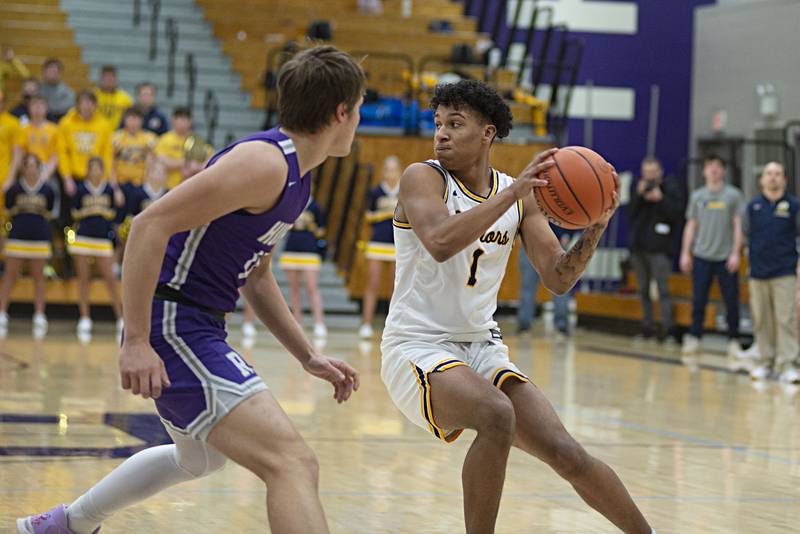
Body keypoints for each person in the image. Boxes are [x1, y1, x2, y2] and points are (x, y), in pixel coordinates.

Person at [17, 45, 363, 534]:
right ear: (341, 112)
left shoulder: (299, 178)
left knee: (199, 460)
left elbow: (257, 274)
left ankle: (64, 525)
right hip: (174, 322)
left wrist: (306, 355)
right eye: (360, 109)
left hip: (199, 322)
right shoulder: (265, 163)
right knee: (292, 462)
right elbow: (147, 225)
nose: (360, 120)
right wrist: (135, 340)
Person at [381, 80, 653, 534]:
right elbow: (441, 242)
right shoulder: (422, 177)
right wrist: (511, 195)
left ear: (487, 133)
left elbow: (558, 278)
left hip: (481, 347)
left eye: (455, 123)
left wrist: (596, 225)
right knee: (495, 413)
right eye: (438, 124)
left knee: (566, 452)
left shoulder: (520, 196)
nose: (441, 134)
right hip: (417, 346)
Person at [680, 154, 745, 360]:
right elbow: (691, 225)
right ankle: (694, 337)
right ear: (704, 171)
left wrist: (736, 252)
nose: (714, 169)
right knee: (698, 299)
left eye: (718, 166)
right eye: (710, 166)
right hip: (701, 255)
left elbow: (738, 225)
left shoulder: (733, 195)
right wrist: (685, 252)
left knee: (731, 301)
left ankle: (733, 340)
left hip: (726, 256)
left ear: (723, 171)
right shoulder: (698, 196)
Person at [742, 162, 800, 383]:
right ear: (762, 180)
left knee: (785, 319)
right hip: (758, 272)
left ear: (784, 179)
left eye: (777, 174)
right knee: (762, 320)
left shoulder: (793, 205)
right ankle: (765, 362)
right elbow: (746, 233)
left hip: (784, 271)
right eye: (769, 174)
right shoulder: (753, 206)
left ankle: (787, 364)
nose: (773, 178)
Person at [627, 156, 683, 341]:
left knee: (663, 289)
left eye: (653, 173)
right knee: (642, 289)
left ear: (660, 172)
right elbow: (630, 213)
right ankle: (647, 327)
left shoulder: (671, 188)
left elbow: (676, 214)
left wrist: (660, 199)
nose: (650, 177)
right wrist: (639, 195)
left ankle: (669, 329)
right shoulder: (639, 187)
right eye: (647, 173)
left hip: (660, 247)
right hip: (639, 247)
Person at [0, 153, 55, 337]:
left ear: (39, 168)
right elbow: (8, 209)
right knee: (10, 275)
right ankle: (2, 313)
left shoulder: (47, 190)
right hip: (17, 237)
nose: (31, 169)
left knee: (39, 277)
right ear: (23, 169)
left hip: (39, 237)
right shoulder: (14, 189)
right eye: (28, 165)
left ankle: (39, 314)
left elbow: (49, 211)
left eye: (34, 165)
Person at [67, 157, 123, 336]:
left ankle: (120, 318)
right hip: (83, 238)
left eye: (99, 168)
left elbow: (114, 213)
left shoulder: (109, 189)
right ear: (88, 171)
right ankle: (84, 318)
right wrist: (90, 211)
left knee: (111, 279)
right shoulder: (81, 189)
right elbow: (73, 212)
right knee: (83, 279)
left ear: (103, 170)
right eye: (93, 168)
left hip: (102, 240)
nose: (96, 172)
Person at [359, 155, 401, 338]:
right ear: (383, 172)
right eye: (387, 169)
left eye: (394, 169)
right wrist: (385, 213)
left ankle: (393, 327)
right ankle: (366, 324)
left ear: (399, 171)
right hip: (377, 242)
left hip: (398, 244)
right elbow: (367, 216)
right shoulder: (375, 192)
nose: (390, 173)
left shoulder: (404, 193)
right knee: (372, 283)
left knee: (396, 286)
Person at [278, 199, 328, 338]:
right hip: (291, 248)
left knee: (312, 287)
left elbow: (321, 231)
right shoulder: (291, 203)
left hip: (310, 250)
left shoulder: (316, 206)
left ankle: (319, 323)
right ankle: (297, 322)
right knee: (294, 288)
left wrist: (310, 224)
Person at [517, 224, 576, 336]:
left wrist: (568, 234)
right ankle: (524, 326)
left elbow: (578, 214)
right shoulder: (532, 206)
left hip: (558, 244)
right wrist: (519, 233)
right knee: (527, 287)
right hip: (531, 243)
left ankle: (561, 326)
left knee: (560, 286)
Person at [57, 90, 113, 196]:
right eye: (84, 102)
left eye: (91, 103)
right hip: (73, 178)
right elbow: (62, 152)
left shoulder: (104, 125)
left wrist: (105, 179)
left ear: (96, 105)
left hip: (96, 179)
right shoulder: (65, 123)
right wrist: (67, 178)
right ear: (78, 104)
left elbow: (107, 154)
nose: (87, 106)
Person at [8, 96, 59, 184]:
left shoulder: (55, 130)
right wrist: (27, 172)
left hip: (47, 171)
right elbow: (19, 155)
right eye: (34, 105)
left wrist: (46, 174)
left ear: (46, 108)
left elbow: (56, 156)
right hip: (27, 170)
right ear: (29, 108)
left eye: (41, 105)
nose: (37, 108)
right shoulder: (23, 130)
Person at [113, 106, 156, 202]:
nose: (133, 122)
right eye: (130, 118)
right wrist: (115, 189)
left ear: (142, 120)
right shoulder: (115, 138)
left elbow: (152, 165)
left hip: (140, 185)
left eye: (136, 118)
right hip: (121, 185)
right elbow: (111, 166)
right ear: (125, 119)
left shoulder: (149, 138)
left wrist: (147, 188)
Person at [155, 107, 195, 189]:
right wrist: (187, 162)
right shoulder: (164, 139)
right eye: (179, 119)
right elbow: (162, 161)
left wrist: (196, 166)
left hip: (190, 186)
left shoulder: (195, 140)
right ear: (173, 120)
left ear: (190, 121)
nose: (182, 123)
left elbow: (207, 160)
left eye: (185, 119)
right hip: (168, 187)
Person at [94, 65, 133, 130]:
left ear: (116, 79)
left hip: (118, 135)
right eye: (106, 77)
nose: (109, 80)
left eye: (112, 77)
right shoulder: (93, 96)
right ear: (101, 79)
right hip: (97, 133)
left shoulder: (126, 99)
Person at [40, 58, 75, 122]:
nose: (52, 75)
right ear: (44, 72)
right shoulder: (37, 89)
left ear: (60, 74)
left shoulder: (68, 93)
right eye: (50, 71)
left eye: (55, 72)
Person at [0, 91, 21, 183]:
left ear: (3, 103)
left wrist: (11, 178)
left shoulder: (13, 123)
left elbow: (17, 154)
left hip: (4, 176)